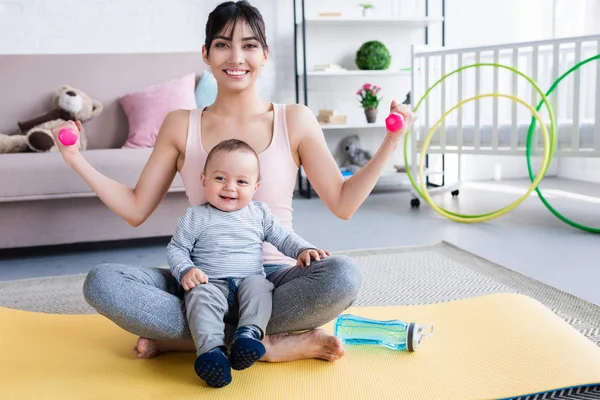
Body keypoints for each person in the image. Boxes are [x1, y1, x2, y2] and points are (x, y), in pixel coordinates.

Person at [51, 0, 416, 364]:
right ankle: (265, 342)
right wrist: (75, 159)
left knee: (342, 276)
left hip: (271, 280)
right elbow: (135, 208)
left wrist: (391, 142)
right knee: (102, 281)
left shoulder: (296, 120)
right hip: (200, 281)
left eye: (249, 45)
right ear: (206, 54)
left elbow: (343, 201)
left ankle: (194, 339)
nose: (236, 57)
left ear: (265, 54)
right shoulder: (180, 123)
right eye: (223, 44)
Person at [167, 138, 331, 387]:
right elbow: (177, 248)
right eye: (220, 178)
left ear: (255, 187)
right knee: (198, 297)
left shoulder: (259, 213)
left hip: (249, 281)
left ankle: (249, 335)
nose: (230, 188)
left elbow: (282, 236)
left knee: (261, 286)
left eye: (241, 181)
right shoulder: (196, 216)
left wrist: (303, 249)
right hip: (210, 283)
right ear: (204, 180)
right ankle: (212, 353)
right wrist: (186, 270)